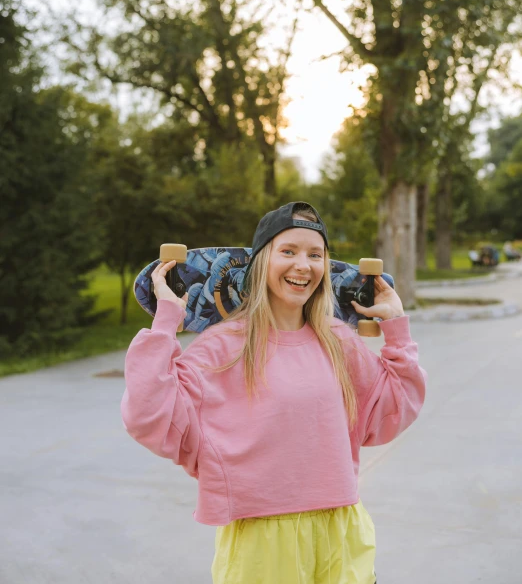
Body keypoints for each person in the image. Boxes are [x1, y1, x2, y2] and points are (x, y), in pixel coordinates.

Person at [121, 201, 427, 583]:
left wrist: (397, 327)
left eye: (316, 254)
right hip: (262, 541)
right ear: (262, 262)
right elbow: (148, 415)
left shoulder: (337, 341)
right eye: (288, 251)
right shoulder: (224, 346)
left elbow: (395, 407)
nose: (304, 265)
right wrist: (166, 321)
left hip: (342, 531)